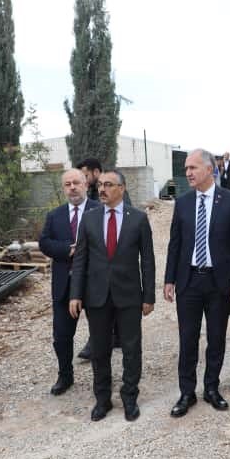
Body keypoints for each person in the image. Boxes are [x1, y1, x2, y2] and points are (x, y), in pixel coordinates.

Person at [164, 149, 230, 418]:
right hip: (189, 281)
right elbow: (175, 243)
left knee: (216, 337)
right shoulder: (183, 202)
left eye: (193, 168)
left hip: (218, 281)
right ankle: (186, 392)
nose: (188, 173)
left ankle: (211, 387)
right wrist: (169, 279)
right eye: (186, 168)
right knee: (188, 338)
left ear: (210, 169)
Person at [69, 170, 155, 422]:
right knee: (99, 350)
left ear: (122, 188)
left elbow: (147, 260)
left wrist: (148, 296)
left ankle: (130, 396)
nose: (102, 189)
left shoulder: (138, 219)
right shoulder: (89, 218)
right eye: (100, 185)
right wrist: (75, 294)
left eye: (108, 185)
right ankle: (102, 398)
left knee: (131, 348)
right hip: (97, 296)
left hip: (129, 295)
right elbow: (80, 259)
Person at [38, 169, 101, 396]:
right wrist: (68, 249)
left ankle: (101, 378)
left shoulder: (100, 211)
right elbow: (44, 243)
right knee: (62, 336)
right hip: (64, 284)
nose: (72, 187)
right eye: (67, 184)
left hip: (94, 283)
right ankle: (65, 375)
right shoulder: (54, 216)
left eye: (76, 182)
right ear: (64, 188)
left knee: (100, 334)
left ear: (86, 185)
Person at [73, 158, 126, 360]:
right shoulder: (94, 199)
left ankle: (107, 339)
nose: (84, 180)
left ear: (95, 172)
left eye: (85, 175)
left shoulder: (116, 197)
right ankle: (106, 339)